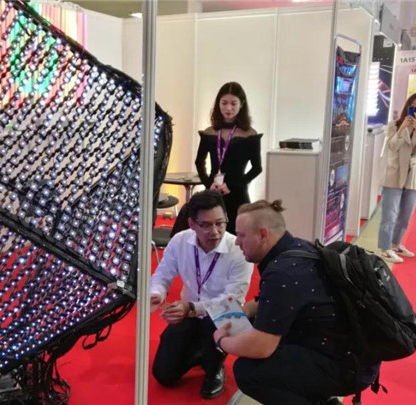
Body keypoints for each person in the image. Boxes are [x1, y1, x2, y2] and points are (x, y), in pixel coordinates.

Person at [212, 200, 379, 405]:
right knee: (257, 325)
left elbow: (262, 347)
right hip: (356, 354)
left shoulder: (281, 273)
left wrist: (222, 341)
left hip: (345, 367)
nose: (237, 242)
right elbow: (286, 301)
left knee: (248, 371)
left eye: (241, 235)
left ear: (263, 234)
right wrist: (247, 309)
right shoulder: (298, 248)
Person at [150, 190, 253, 399]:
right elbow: (162, 275)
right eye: (206, 225)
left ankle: (215, 366)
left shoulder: (238, 250)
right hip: (188, 314)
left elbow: (232, 299)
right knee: (164, 375)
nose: (214, 232)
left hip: (223, 315)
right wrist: (157, 293)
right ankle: (200, 352)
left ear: (226, 218)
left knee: (216, 320)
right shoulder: (180, 241)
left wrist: (191, 308)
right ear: (192, 224)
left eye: (220, 223)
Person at [195, 82, 263, 235]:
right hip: (213, 192)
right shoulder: (209, 132)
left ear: (241, 104)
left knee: (237, 236)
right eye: (224, 103)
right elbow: (199, 162)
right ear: (218, 103)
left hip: (238, 193)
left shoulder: (249, 134)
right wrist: (209, 183)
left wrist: (232, 185)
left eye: (233, 104)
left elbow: (257, 168)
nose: (228, 108)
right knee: (211, 233)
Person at [378, 92, 416, 263]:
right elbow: (392, 146)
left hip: (414, 175)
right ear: (407, 106)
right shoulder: (394, 125)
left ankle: (396, 243)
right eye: (413, 106)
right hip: (394, 174)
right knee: (390, 214)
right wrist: (402, 129)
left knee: (405, 215)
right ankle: (385, 248)